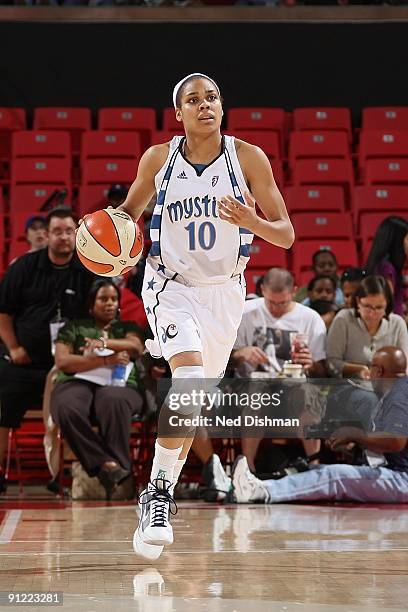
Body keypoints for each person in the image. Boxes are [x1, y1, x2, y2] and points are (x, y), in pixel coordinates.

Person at [101, 72, 294, 559]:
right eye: (194, 99)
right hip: (170, 286)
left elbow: (286, 234)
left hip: (224, 294)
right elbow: (128, 214)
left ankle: (154, 491)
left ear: (222, 107)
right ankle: (160, 495)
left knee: (190, 406)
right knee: (185, 381)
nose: (205, 105)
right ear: (179, 112)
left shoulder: (247, 157)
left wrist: (251, 221)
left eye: (212, 97)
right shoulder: (159, 159)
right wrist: (109, 238)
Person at [232, 346, 408, 504]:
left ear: (377, 371)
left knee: (335, 476)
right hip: (395, 472)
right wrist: (355, 444)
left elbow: (396, 441)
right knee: (316, 469)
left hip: (402, 479)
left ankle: (262, 491)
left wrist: (355, 434)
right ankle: (257, 485)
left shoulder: (399, 393)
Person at [0, 207, 96, 493]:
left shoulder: (87, 269)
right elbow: (3, 313)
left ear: (77, 235)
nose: (63, 237)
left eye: (69, 231)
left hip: (70, 365)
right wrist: (14, 347)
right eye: (57, 232)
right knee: (2, 397)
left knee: (80, 402)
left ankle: (69, 475)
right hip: (25, 362)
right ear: (46, 235)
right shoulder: (24, 268)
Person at [50, 280, 144, 499]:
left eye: (113, 299)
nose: (110, 303)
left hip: (119, 386)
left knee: (113, 400)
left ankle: (117, 481)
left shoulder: (127, 328)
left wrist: (103, 345)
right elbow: (63, 360)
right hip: (78, 381)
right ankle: (109, 467)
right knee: (66, 406)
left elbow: (135, 346)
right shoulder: (74, 327)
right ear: (91, 305)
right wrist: (105, 361)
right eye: (103, 299)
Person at [231, 267, 327, 472]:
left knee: (309, 393)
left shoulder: (310, 319)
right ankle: (248, 470)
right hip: (250, 385)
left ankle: (315, 466)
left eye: (282, 303)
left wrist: (311, 363)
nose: (275, 308)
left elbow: (322, 370)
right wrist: (242, 353)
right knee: (256, 394)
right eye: (270, 302)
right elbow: (224, 360)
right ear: (263, 290)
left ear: (294, 291)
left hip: (294, 387)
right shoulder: (245, 312)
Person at [327, 275, 408, 379]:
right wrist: (358, 370)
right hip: (350, 385)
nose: (372, 314)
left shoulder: (397, 323)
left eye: (379, 308)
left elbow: (404, 366)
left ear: (387, 305)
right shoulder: (343, 319)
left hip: (389, 386)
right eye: (367, 307)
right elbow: (331, 363)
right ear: (357, 302)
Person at [365, 216, 408, 316]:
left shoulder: (384, 265)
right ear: (397, 241)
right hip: (393, 327)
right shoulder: (387, 268)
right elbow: (386, 306)